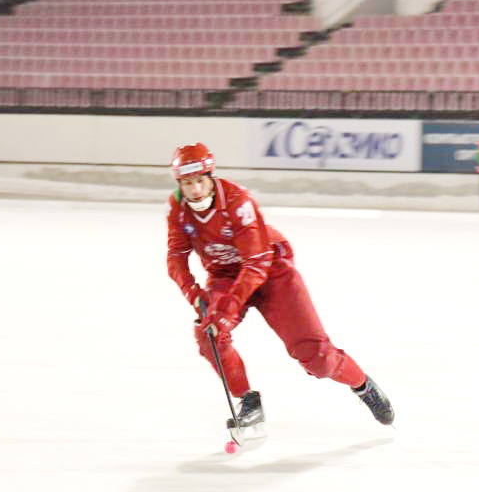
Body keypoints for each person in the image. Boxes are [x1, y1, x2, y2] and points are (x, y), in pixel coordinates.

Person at [165, 142, 394, 441]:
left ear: (211, 176)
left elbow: (256, 264)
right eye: (187, 183)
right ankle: (248, 401)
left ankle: (363, 385)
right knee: (209, 335)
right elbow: (176, 257)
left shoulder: (238, 202)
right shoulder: (178, 208)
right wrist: (195, 296)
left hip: (271, 271)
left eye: (200, 181)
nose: (194, 190)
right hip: (224, 275)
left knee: (317, 358)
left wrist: (227, 310)